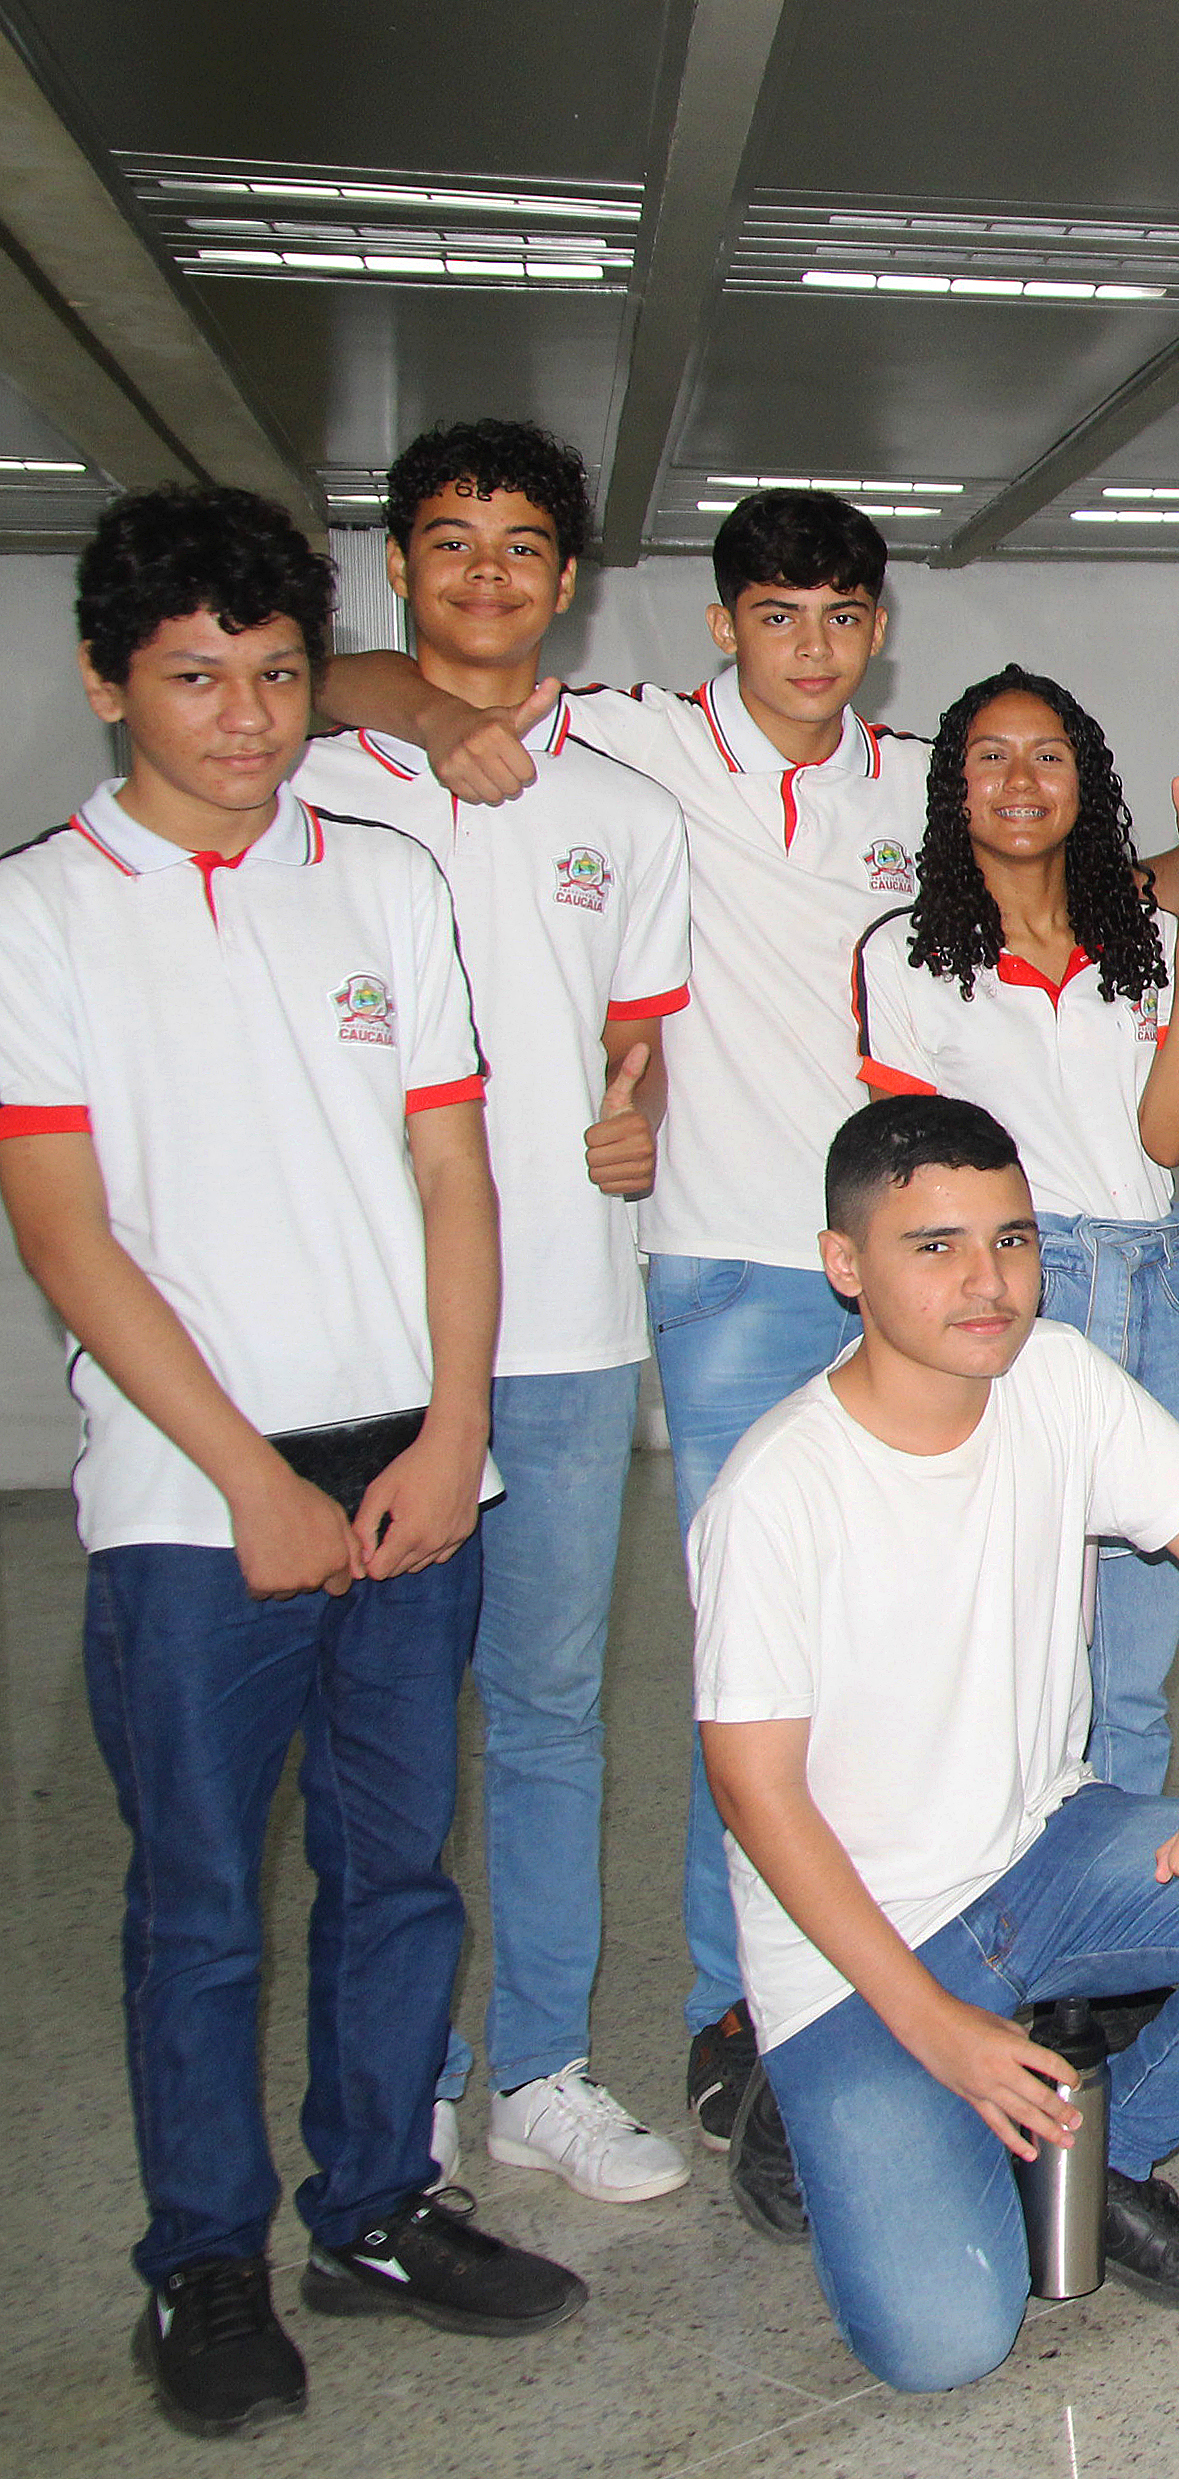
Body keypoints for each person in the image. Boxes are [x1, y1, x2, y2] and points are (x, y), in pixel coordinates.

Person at [4, 490, 580, 2439]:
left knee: (396, 1872)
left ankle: (377, 2203)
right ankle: (204, 2260)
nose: (244, 718)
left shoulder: (382, 880)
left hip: (411, 1460)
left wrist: (454, 1423)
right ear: (108, 682)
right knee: (197, 1899)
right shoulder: (40, 908)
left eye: (269, 675)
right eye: (194, 680)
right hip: (192, 1497)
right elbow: (68, 1228)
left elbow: (451, 1168)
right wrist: (249, 1473)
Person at [692, 1097, 1179, 2391]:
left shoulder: (1056, 1379)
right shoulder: (776, 1493)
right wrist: (936, 2031)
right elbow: (754, 1792)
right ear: (845, 1266)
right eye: (936, 1247)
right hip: (857, 1953)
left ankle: (1097, 2154)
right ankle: (812, 2110)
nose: (988, 1283)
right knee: (949, 2343)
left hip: (1038, 1859)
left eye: (1013, 1240)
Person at [290, 421, 698, 2205]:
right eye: (447, 542)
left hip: (563, 1330)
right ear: (396, 566)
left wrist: (641, 1109)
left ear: (567, 578)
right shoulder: (305, 775)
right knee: (388, 1740)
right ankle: (413, 2079)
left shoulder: (627, 807)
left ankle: (537, 2064)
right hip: (357, 1342)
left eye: (521, 547)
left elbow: (637, 1032)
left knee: (544, 1712)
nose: (483, 576)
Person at [853, 665, 1179, 1796]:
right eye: (991, 755)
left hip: (1165, 1280)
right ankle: (1016, 1880)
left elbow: (1172, 1138)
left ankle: (1111, 1920)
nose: (1021, 779)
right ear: (953, 787)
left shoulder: (1149, 938)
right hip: (1023, 1293)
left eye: (1050, 755)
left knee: (1136, 1652)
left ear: (1088, 780)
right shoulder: (909, 952)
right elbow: (913, 1165)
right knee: (1026, 1643)